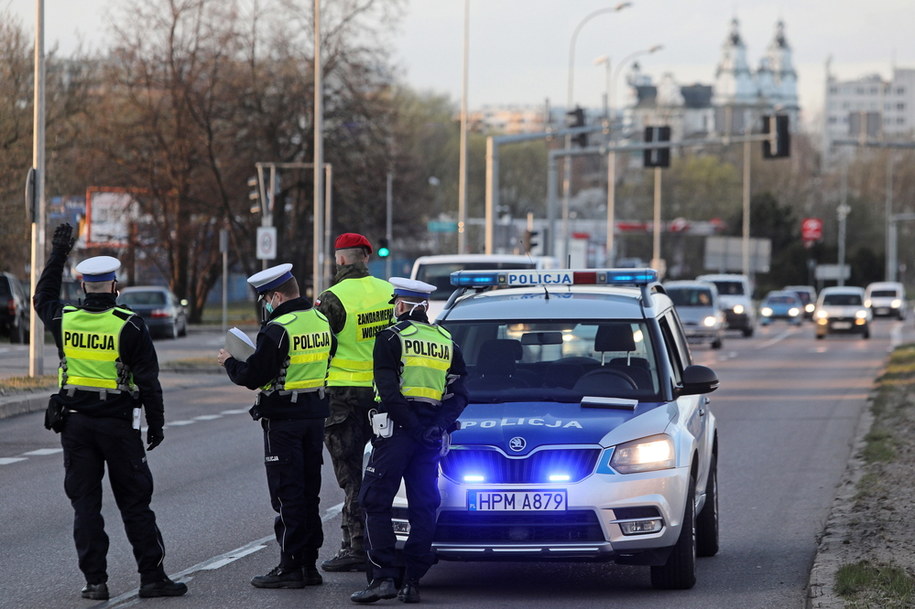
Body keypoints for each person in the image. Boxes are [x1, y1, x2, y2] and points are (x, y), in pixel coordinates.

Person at [32, 223, 187, 601]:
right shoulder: (130, 325)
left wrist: (59, 253)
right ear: (114, 286)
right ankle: (152, 578)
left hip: (76, 427)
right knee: (135, 503)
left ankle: (95, 582)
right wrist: (157, 424)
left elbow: (42, 295)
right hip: (119, 427)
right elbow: (149, 381)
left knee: (86, 507)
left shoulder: (64, 319)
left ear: (84, 286)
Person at [217, 263, 335, 589]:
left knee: (287, 494)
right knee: (309, 492)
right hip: (315, 417)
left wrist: (230, 361)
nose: (264, 306)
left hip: (284, 421)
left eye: (265, 299)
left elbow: (254, 376)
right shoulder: (321, 320)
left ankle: (290, 567)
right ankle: (309, 565)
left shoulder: (278, 329)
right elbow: (329, 354)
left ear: (277, 295)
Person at [351, 278, 468, 604]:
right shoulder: (447, 341)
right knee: (423, 507)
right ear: (425, 307)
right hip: (430, 437)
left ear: (402, 305)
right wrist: (437, 427)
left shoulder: (390, 337)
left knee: (374, 502)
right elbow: (459, 395)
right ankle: (412, 583)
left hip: (397, 435)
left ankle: (383, 578)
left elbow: (389, 393)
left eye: (395, 303)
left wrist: (415, 428)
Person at [315, 233, 394, 572]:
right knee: (384, 473)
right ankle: (382, 541)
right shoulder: (389, 293)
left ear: (341, 260)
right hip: (382, 396)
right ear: (366, 257)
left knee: (351, 477)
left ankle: (356, 545)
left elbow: (321, 347)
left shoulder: (332, 298)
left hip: (343, 399)